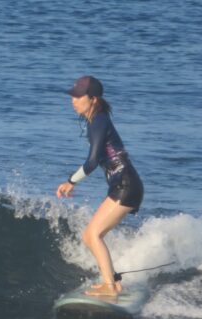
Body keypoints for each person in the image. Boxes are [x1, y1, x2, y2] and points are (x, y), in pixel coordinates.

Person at [56, 76, 143, 298]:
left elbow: (93, 161)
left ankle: (109, 287)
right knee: (90, 236)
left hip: (126, 185)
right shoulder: (97, 120)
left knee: (92, 234)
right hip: (124, 184)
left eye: (78, 97)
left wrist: (70, 181)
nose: (73, 101)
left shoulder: (99, 121)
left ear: (93, 99)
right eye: (72, 96)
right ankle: (112, 282)